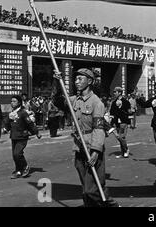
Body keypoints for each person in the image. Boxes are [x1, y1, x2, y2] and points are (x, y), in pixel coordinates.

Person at [56, 68, 119, 207]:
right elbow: (60, 103)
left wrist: (96, 150)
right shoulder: (75, 100)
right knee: (86, 188)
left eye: (80, 79)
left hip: (92, 148)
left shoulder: (97, 103)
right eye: (76, 79)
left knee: (92, 189)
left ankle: (112, 205)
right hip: (79, 148)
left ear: (89, 81)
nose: (76, 82)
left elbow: (99, 128)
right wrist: (58, 83)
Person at [3, 95, 41, 179]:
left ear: (19, 103)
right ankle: (18, 170)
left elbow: (30, 123)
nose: (12, 103)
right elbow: (8, 124)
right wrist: (7, 124)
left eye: (14, 101)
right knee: (14, 155)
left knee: (17, 153)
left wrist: (37, 132)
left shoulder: (23, 112)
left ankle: (25, 166)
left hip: (22, 136)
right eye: (11, 101)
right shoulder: (12, 113)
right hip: (14, 136)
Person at [138, 82, 156, 169]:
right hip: (155, 123)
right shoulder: (154, 99)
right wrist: (138, 98)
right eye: (155, 88)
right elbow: (144, 105)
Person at [110, 87, 131, 159]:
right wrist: (111, 122)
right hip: (117, 122)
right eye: (114, 92)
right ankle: (123, 152)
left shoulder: (125, 102)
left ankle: (126, 149)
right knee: (119, 137)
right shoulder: (113, 102)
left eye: (115, 92)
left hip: (124, 121)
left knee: (121, 136)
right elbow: (112, 113)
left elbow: (129, 111)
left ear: (119, 92)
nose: (114, 93)